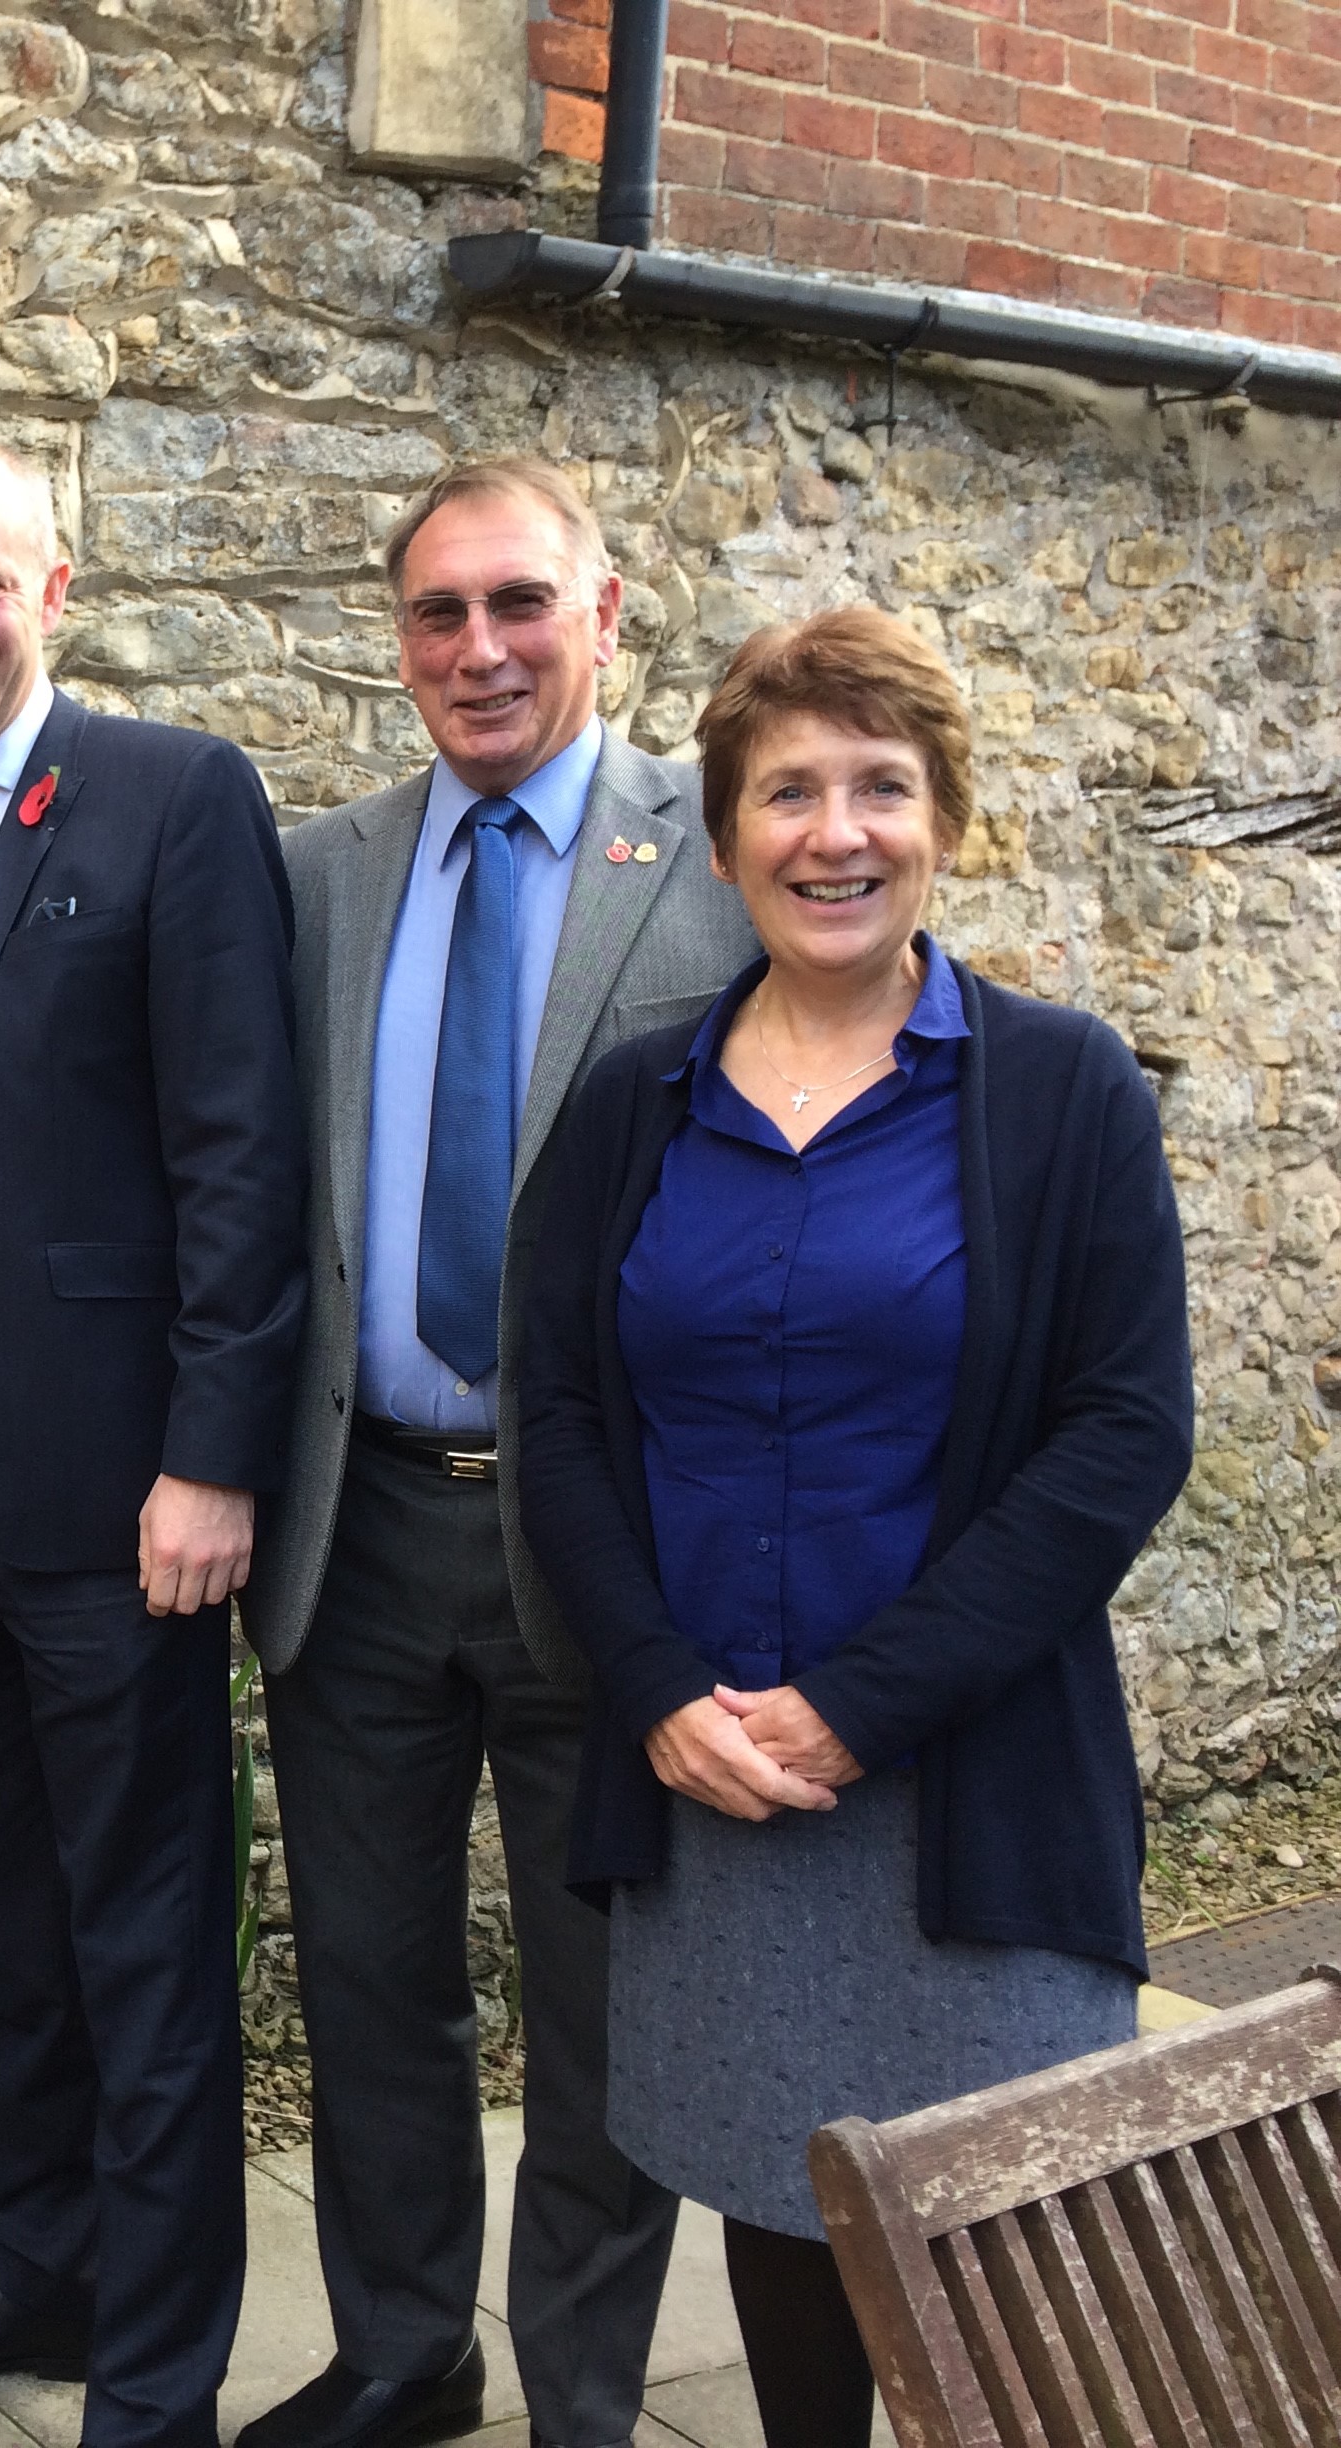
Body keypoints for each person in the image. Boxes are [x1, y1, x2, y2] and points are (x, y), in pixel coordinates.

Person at [515, 606, 1193, 2448]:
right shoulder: (631, 1099)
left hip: (967, 1782)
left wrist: (860, 1704)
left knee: (1006, 2243)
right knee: (783, 2200)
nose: (837, 833)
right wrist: (658, 1690)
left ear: (944, 820)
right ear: (725, 836)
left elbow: (1121, 1438)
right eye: (789, 791)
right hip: (714, 1777)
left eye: (881, 787)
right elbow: (564, 1418)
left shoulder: (1059, 1093)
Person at [236, 458, 756, 2448]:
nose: (480, 650)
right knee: (371, 1982)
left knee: (601, 2000)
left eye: (519, 604)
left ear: (605, 614)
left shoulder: (713, 858)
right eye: (441, 614)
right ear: (400, 639)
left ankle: (589, 2401)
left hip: (605, 1552)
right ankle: (397, 2355)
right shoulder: (322, 873)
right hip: (355, 1523)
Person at [0, 435, 309, 2448]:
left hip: (124, 1502)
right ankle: (46, 2271)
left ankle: (157, 2387)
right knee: (19, 1916)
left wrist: (214, 1455)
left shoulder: (175, 799)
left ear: (55, 593)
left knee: (149, 1939)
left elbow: (240, 1156)